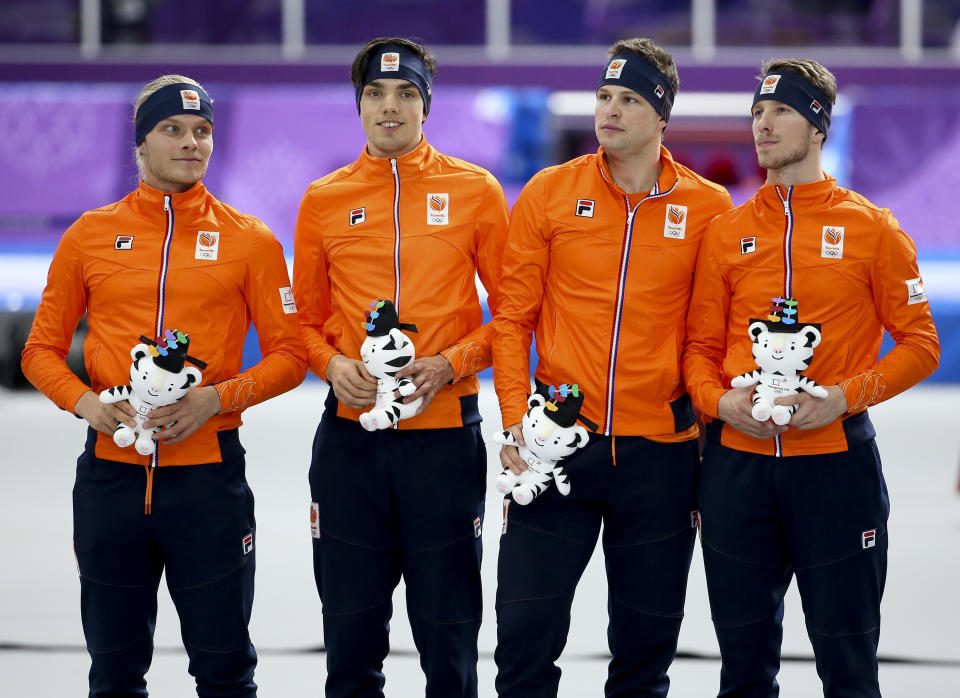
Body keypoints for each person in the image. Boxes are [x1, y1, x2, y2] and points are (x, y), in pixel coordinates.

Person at [21, 74, 307, 698]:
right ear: (140, 144)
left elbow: (290, 355)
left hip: (209, 484)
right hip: (110, 483)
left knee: (226, 670)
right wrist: (87, 403)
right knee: (115, 673)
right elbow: (39, 351)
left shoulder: (251, 240)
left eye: (202, 131)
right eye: (172, 130)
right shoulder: (89, 235)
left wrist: (217, 398)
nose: (191, 143)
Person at [683, 58, 940, 697]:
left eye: (782, 113)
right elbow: (698, 349)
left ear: (818, 126)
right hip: (737, 476)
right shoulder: (727, 233)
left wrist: (844, 399)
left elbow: (922, 344)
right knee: (743, 672)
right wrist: (719, 403)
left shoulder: (873, 229)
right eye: (758, 113)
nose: (764, 126)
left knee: (849, 672)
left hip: (836, 472)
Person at [492, 38, 734, 697]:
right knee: (521, 646)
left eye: (629, 99)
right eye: (604, 96)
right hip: (559, 447)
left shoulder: (710, 209)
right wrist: (518, 422)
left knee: (644, 657)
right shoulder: (549, 192)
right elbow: (511, 321)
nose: (610, 110)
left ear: (662, 117)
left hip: (662, 457)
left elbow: (714, 336)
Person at [293, 37, 509, 698]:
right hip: (350, 445)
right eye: (376, 94)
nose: (391, 106)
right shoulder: (323, 198)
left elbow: (514, 314)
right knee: (351, 640)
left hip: (445, 443)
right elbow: (299, 322)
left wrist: (451, 363)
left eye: (407, 93)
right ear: (357, 105)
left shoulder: (475, 191)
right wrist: (331, 365)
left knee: (449, 641)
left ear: (427, 104)